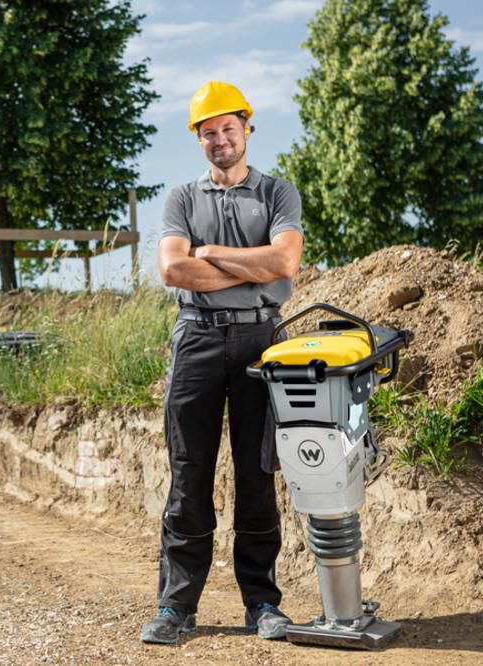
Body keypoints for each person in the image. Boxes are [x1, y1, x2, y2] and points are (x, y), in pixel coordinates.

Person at [140, 81, 304, 644]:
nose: (219, 139)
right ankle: (175, 607)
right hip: (197, 341)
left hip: (261, 342)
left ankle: (262, 604)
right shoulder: (181, 199)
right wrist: (253, 268)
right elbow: (173, 272)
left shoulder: (279, 193)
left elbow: (286, 261)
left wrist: (210, 253)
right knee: (189, 476)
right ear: (198, 139)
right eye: (208, 132)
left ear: (246, 129)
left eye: (227, 129)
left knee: (258, 477)